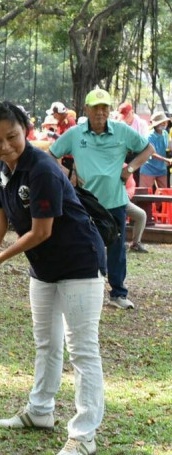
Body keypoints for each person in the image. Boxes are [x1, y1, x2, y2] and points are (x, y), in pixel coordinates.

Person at [0, 101, 107, 455]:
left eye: (12, 136)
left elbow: (41, 231)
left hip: (79, 262)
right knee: (46, 342)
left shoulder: (42, 168)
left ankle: (83, 435)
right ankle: (40, 410)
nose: (5, 146)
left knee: (82, 350)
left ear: (25, 131)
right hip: (43, 268)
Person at [50, 88, 153, 310]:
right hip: (85, 203)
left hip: (115, 201)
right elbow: (50, 155)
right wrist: (68, 176)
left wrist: (131, 168)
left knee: (116, 248)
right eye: (96, 108)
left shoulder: (122, 131)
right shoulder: (76, 133)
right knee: (83, 246)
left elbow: (148, 149)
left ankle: (118, 293)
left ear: (109, 110)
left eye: (104, 107)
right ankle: (83, 289)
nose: (100, 112)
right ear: (86, 109)